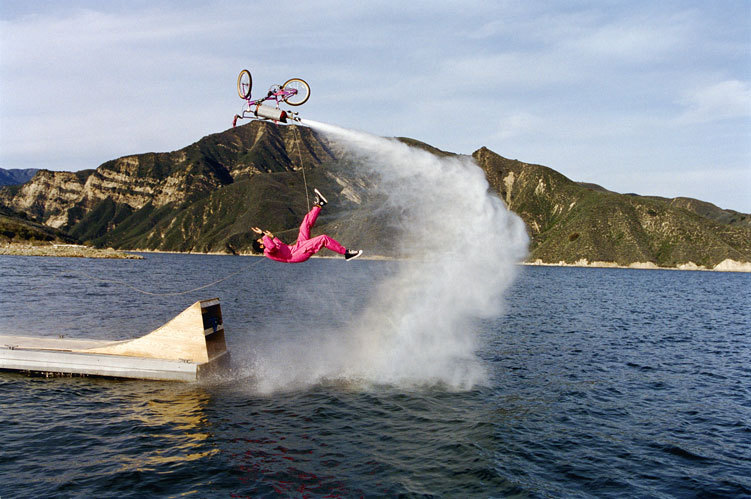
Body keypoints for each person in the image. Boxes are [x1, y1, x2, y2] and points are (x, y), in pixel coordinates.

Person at [251, 188, 363, 263]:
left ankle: (319, 205)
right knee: (323, 238)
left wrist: (272, 237)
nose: (262, 239)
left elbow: (280, 245)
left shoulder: (269, 246)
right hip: (298, 254)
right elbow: (272, 247)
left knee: (305, 224)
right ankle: (346, 253)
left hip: (296, 248)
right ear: (261, 246)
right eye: (261, 240)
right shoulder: (267, 251)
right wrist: (263, 235)